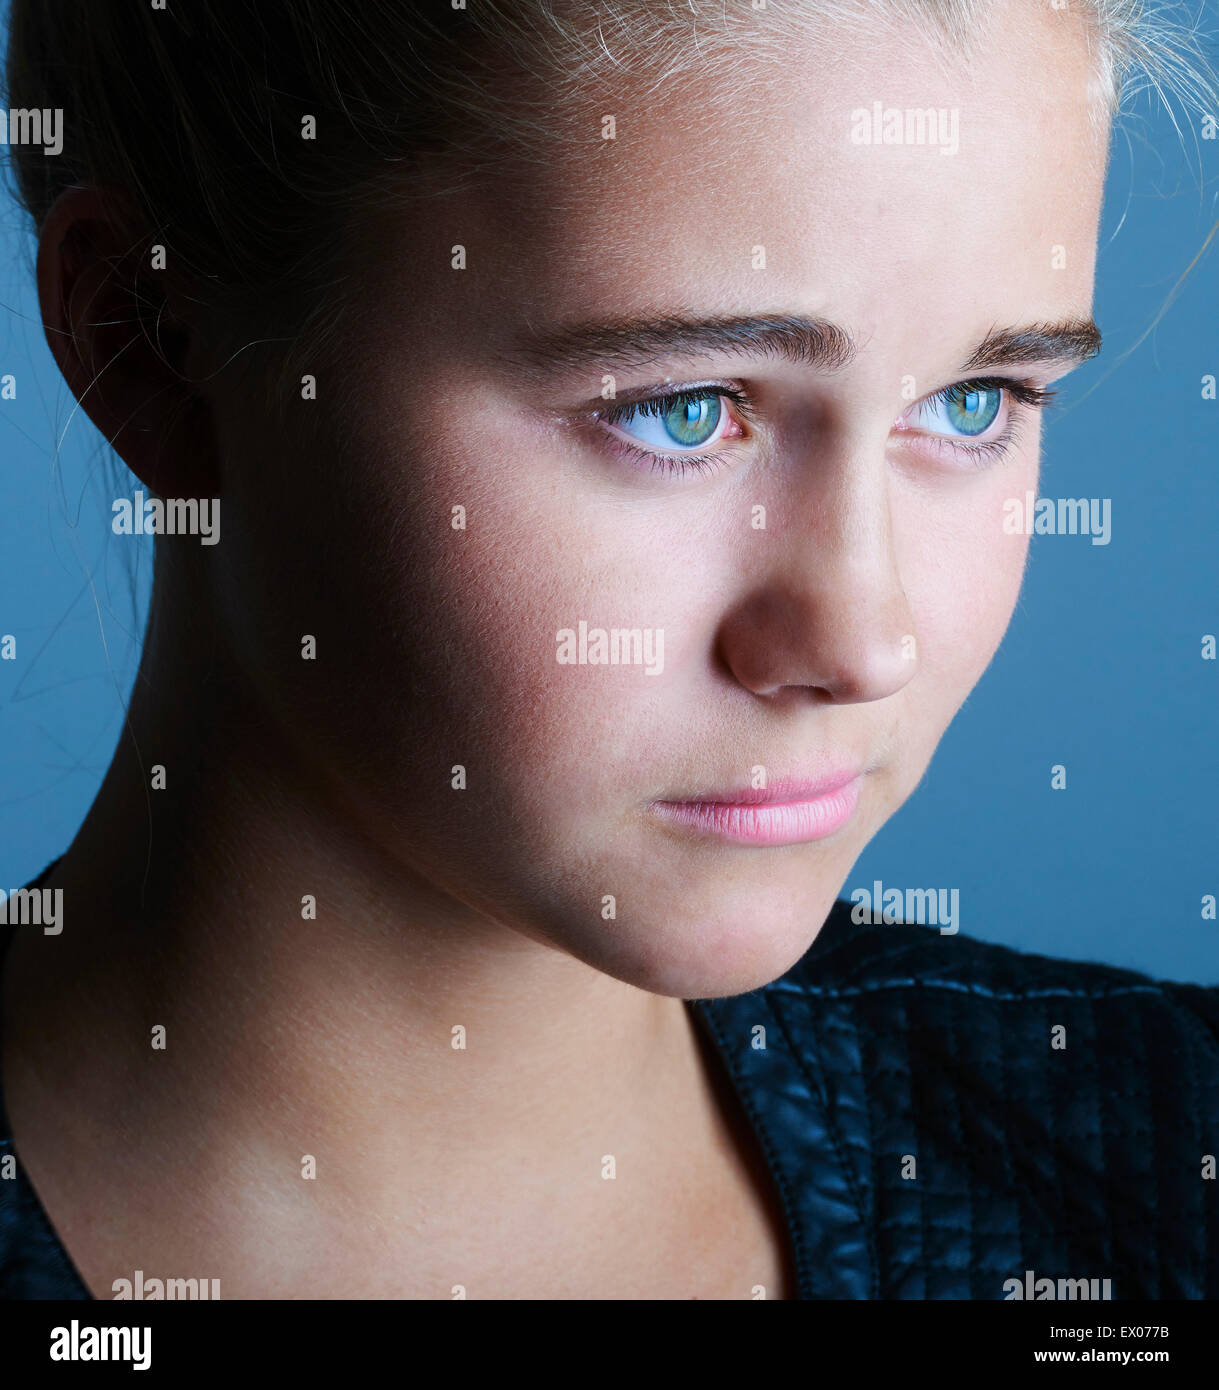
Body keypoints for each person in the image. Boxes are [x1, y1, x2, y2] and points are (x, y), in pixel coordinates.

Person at [1, 0, 1216, 1300]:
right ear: (148, 347)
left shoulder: (1166, 1163)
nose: (867, 642)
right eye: (683, 412)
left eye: (978, 403)